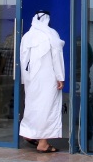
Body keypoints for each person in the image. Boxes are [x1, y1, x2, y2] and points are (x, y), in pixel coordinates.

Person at [20, 10, 65, 153]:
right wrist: (60, 77)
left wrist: (25, 79)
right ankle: (43, 143)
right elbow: (56, 57)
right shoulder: (51, 34)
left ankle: (29, 133)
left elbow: (23, 60)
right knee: (47, 108)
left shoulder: (27, 36)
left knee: (32, 107)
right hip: (48, 77)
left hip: (31, 78)